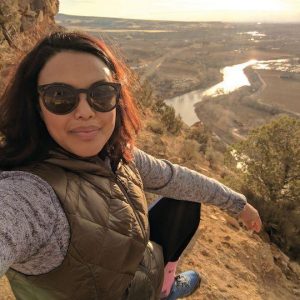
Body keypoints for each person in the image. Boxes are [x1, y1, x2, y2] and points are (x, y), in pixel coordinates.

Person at [0, 30, 262, 300]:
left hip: (141, 276)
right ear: (36, 107)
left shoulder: (118, 155)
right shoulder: (29, 196)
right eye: (60, 96)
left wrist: (238, 204)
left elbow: (174, 178)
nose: (86, 111)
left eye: (100, 94)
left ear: (116, 99)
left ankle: (163, 285)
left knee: (184, 201)